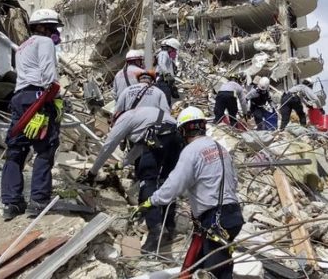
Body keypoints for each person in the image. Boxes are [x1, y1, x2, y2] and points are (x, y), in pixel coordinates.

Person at [134, 106, 244, 279]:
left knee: (216, 273)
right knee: (195, 267)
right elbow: (233, 181)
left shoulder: (190, 151)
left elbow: (174, 185)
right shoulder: (221, 149)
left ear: (183, 130)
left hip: (214, 220)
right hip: (233, 216)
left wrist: (151, 201)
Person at [78, 106, 183, 252]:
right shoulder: (143, 116)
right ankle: (169, 225)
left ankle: (155, 231)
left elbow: (108, 146)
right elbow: (140, 146)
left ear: (114, 119)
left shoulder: (124, 119)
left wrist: (92, 172)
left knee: (147, 181)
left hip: (158, 137)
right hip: (175, 135)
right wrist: (120, 165)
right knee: (168, 181)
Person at [1, 8, 64, 220]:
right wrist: (53, 97)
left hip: (19, 98)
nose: (56, 33)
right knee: (45, 148)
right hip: (39, 97)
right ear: (44, 27)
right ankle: (38, 201)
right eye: (54, 28)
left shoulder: (21, 47)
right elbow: (48, 74)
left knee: (16, 150)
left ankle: (11, 202)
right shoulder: (44, 42)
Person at [155, 38, 180, 105]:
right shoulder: (163, 53)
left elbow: (170, 68)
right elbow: (161, 64)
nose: (174, 51)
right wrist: (167, 74)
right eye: (174, 49)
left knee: (168, 97)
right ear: (171, 47)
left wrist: (173, 84)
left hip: (166, 79)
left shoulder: (168, 56)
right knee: (165, 99)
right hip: (162, 79)